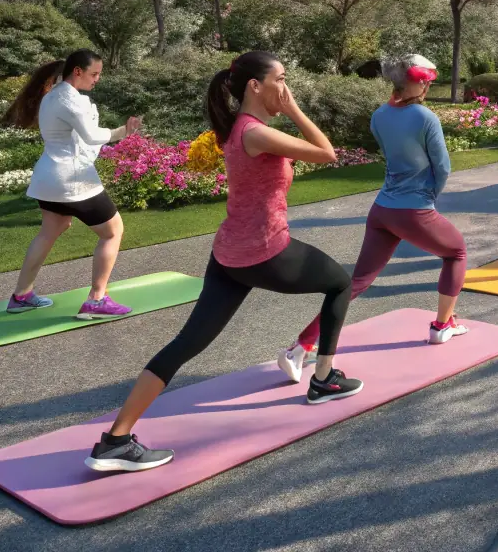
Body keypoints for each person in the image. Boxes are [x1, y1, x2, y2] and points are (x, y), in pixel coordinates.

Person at [85, 52, 358, 474]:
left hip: (229, 254)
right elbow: (327, 153)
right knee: (340, 283)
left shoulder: (237, 127)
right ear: (255, 86)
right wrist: (293, 110)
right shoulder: (255, 132)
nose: (286, 88)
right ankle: (323, 379)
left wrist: (281, 108)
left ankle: (115, 441)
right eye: (281, 79)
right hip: (265, 251)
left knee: (187, 343)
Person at [285, 55, 469, 363]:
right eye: (426, 82)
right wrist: (430, 197)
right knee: (456, 253)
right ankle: (441, 326)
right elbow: (443, 167)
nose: (427, 88)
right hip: (414, 209)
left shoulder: (379, 116)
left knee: (357, 281)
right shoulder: (426, 118)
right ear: (418, 83)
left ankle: (301, 346)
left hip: (382, 210)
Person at [7, 50, 141, 319]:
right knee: (112, 232)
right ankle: (96, 300)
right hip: (72, 179)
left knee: (51, 230)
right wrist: (123, 132)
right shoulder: (70, 99)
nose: (97, 79)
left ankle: (21, 295)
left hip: (48, 178)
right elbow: (91, 136)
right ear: (77, 71)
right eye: (94, 74)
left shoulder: (51, 95)